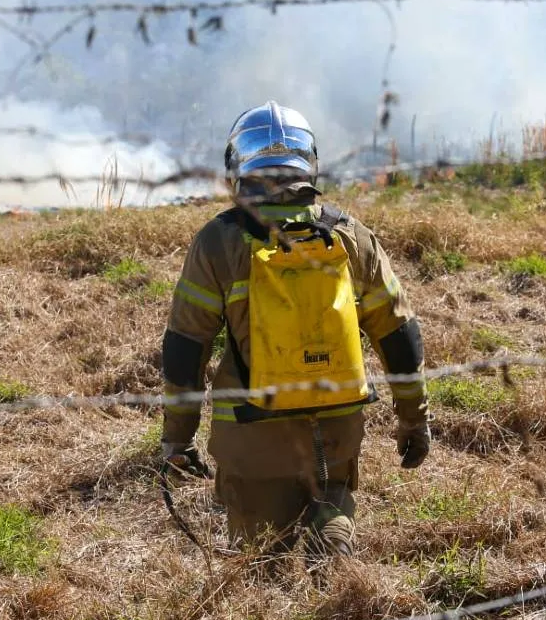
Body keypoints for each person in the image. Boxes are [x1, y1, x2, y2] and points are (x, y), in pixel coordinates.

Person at [158, 100, 431, 560]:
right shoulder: (351, 235)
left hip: (252, 434)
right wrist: (413, 417)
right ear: (310, 163)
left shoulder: (219, 242)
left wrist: (178, 439)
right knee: (333, 492)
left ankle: (283, 614)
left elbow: (187, 347)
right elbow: (399, 333)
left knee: (262, 560)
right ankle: (334, 530)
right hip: (338, 423)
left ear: (237, 167)